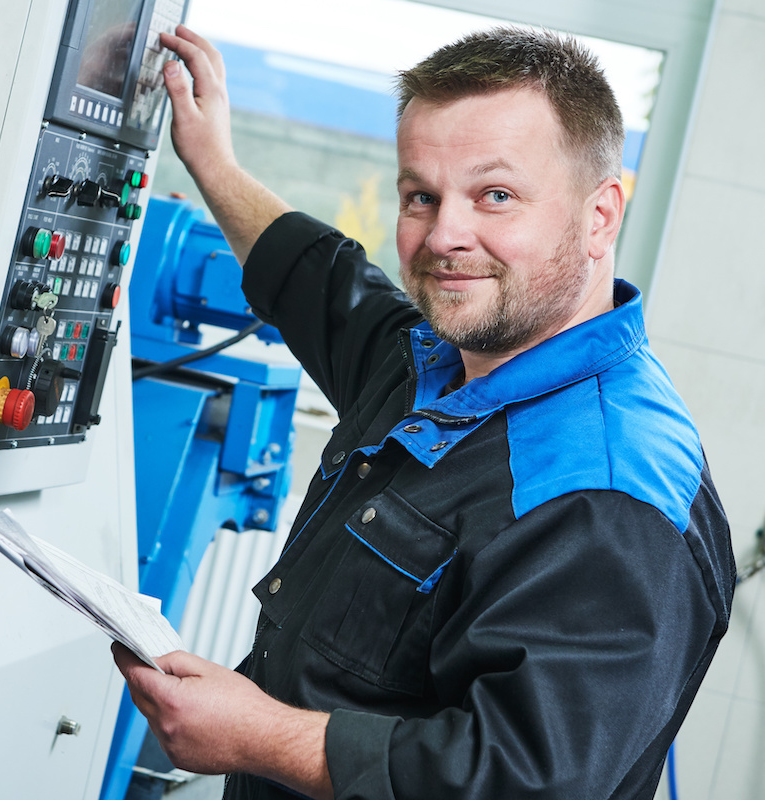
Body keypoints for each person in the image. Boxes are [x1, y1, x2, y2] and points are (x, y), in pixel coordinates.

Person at [112, 24, 737, 800]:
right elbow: (323, 285)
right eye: (422, 196)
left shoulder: (606, 495)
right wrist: (212, 159)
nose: (444, 235)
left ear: (600, 215)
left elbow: (521, 782)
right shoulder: (435, 361)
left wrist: (257, 735)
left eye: (495, 196)